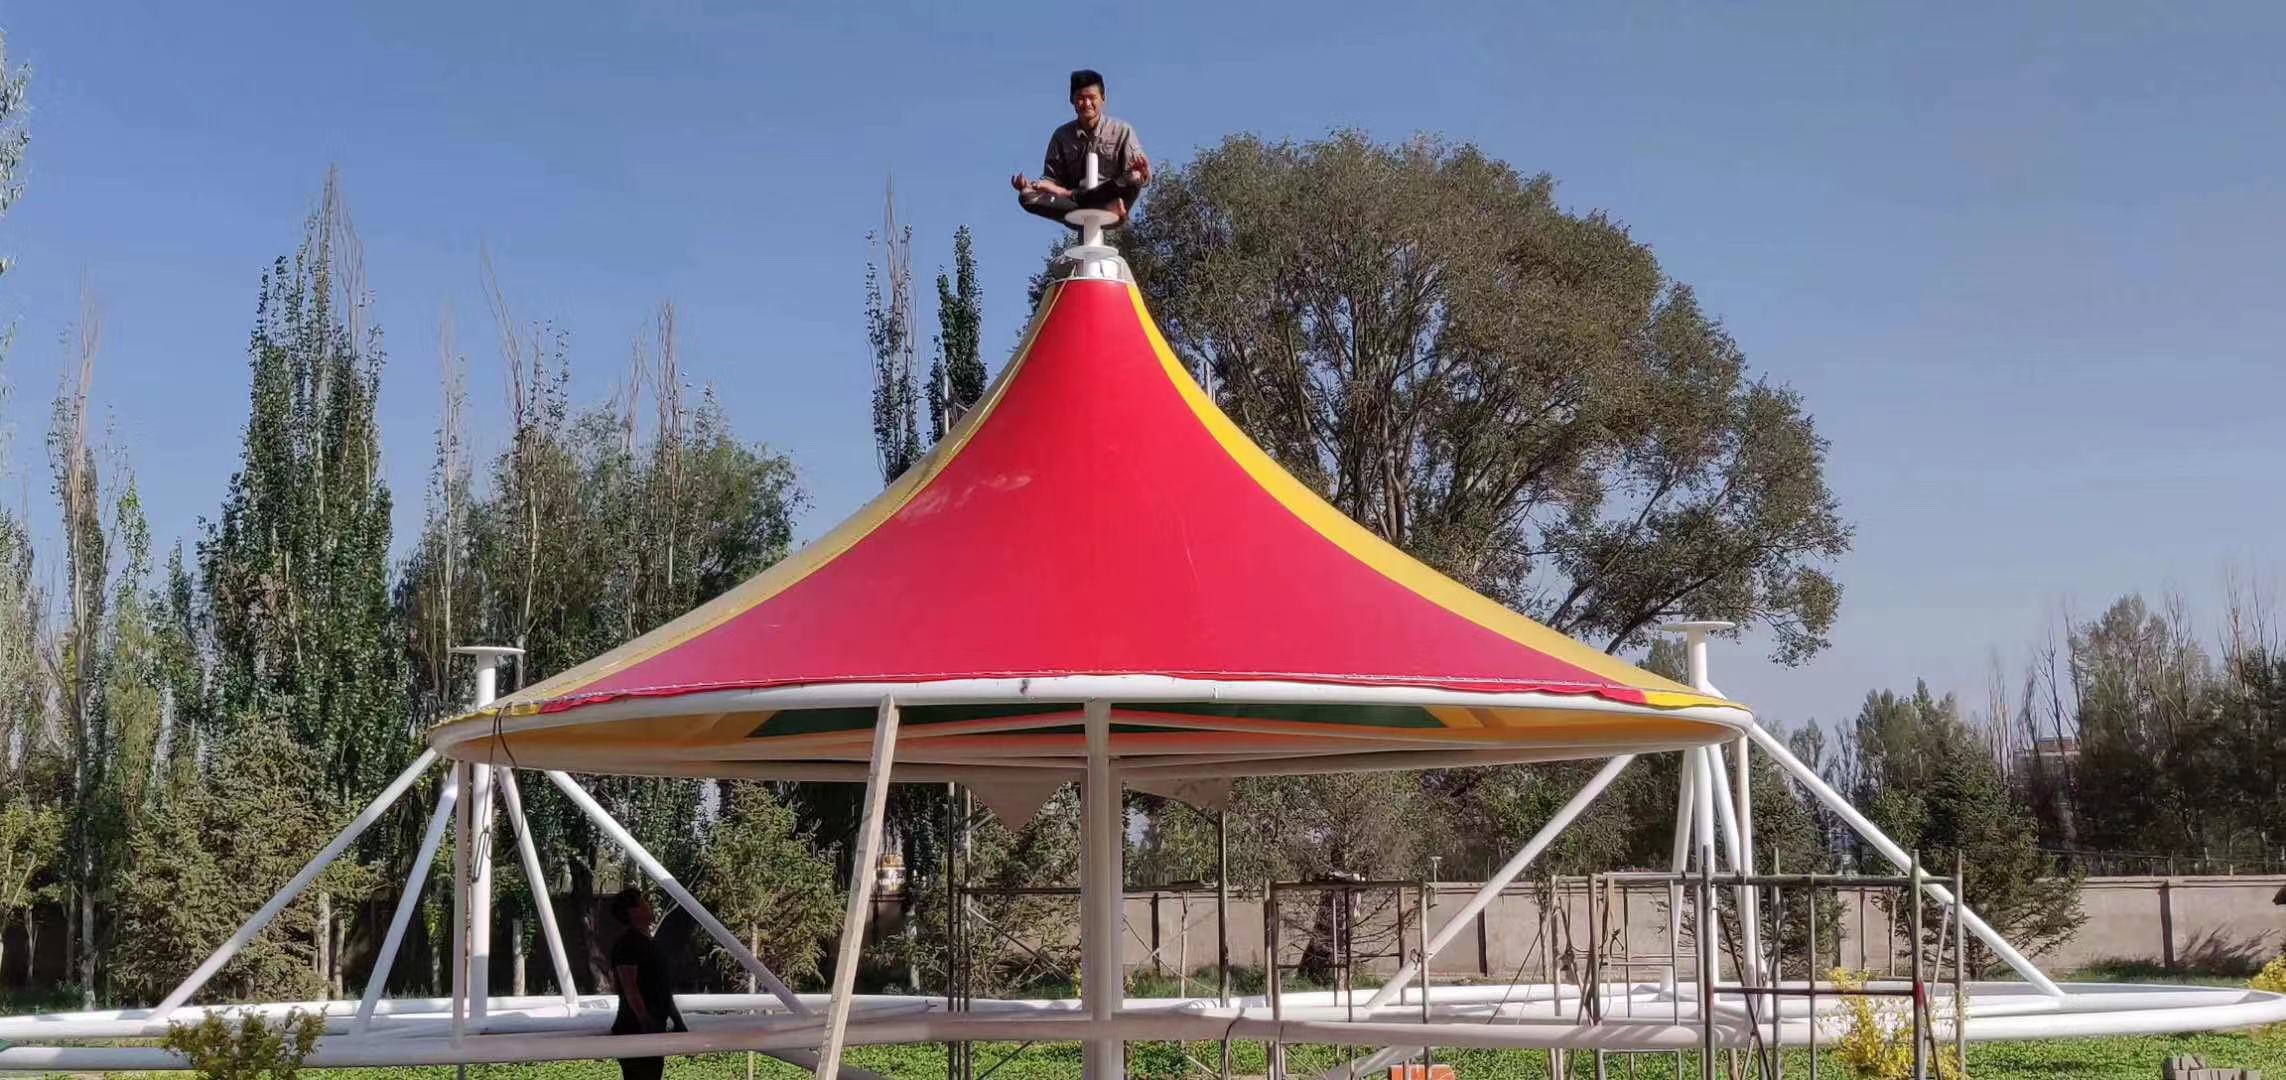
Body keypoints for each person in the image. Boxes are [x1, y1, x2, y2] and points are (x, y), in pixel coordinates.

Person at [1012, 69, 1151, 226]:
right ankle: (1082, 199)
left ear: (1103, 98)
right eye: (1080, 98)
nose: (1087, 104)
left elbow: (1140, 176)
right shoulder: (1061, 135)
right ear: (1072, 100)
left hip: (1111, 198)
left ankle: (1094, 202)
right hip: (1073, 206)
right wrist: (1034, 186)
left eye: (1092, 98)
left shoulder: (1122, 130)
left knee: (1134, 177)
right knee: (1027, 196)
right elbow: (1051, 179)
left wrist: (1143, 173)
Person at [607, 887, 685, 1080]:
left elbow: (662, 988)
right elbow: (630, 986)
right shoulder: (627, 944)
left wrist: (676, 1020)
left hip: (650, 1027)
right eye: (643, 903)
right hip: (635, 1029)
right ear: (632, 912)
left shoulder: (650, 944)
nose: (648, 906)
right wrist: (645, 1021)